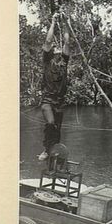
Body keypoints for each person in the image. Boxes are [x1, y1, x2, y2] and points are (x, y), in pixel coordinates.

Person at [38, 12, 70, 162]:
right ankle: (45, 150)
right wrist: (53, 21)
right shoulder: (47, 59)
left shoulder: (64, 60)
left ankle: (54, 156)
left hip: (60, 101)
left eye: (59, 47)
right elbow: (49, 40)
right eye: (54, 47)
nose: (57, 47)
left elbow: (67, 42)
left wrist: (65, 23)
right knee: (50, 124)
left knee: (57, 131)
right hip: (47, 101)